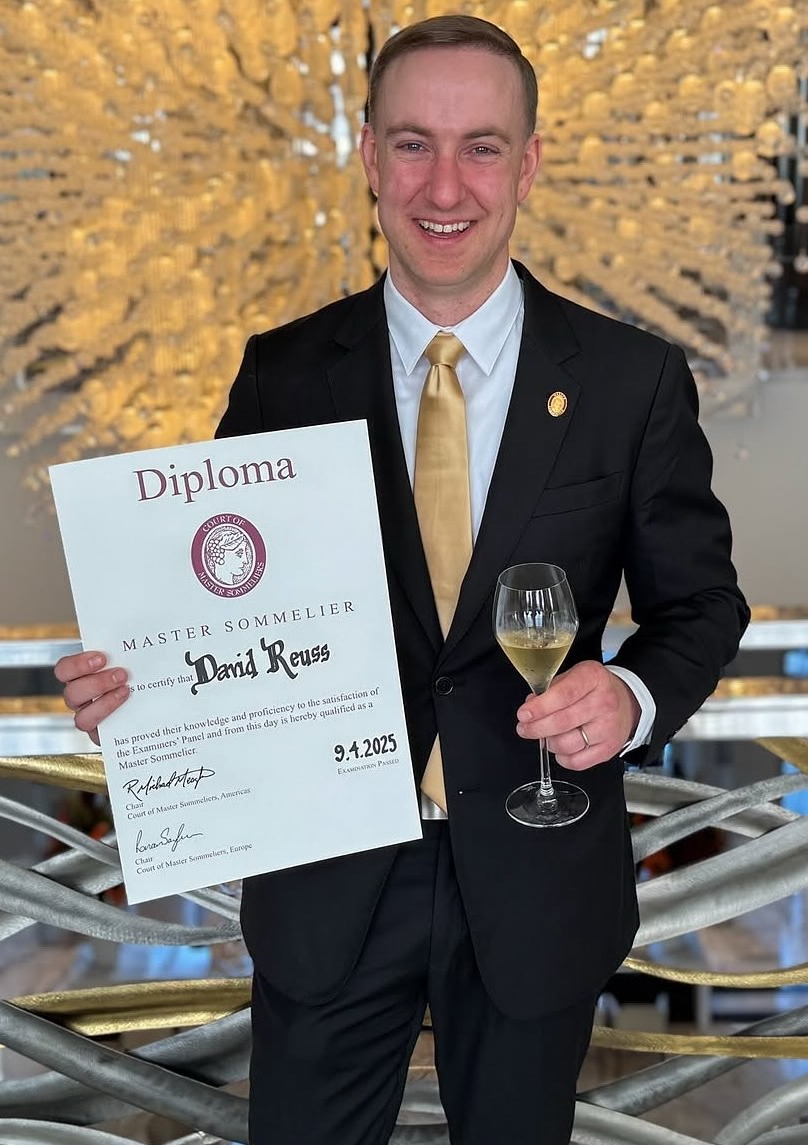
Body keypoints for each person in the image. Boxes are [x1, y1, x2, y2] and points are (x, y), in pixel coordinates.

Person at [55, 15, 749, 1145]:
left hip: (532, 877)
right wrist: (139, 691)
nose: (445, 182)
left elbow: (701, 607)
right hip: (330, 878)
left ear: (526, 164)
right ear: (368, 157)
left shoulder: (629, 382)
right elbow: (219, 604)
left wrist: (627, 695)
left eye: (481, 145)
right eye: (413, 142)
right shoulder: (281, 372)